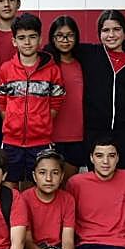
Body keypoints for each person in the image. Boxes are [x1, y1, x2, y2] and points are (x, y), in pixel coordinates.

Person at [73, 9, 125, 169]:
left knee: (122, 181)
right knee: (97, 183)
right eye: (105, 30)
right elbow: (59, 45)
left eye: (116, 29)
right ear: (99, 33)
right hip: (94, 134)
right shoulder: (89, 54)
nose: (111, 35)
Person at [0, 12, 65, 188]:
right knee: (9, 189)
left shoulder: (52, 70)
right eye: (22, 38)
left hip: (41, 142)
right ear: (14, 41)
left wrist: (42, 122)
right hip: (11, 142)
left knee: (34, 190)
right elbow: (2, 102)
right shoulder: (6, 69)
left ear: (40, 39)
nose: (27, 42)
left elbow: (56, 103)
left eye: (32, 37)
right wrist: (12, 123)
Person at [22, 149, 76, 249]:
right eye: (42, 172)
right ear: (34, 176)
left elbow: (67, 239)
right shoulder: (24, 198)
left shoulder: (67, 199)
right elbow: (26, 240)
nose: (48, 178)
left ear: (61, 177)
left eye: (54, 173)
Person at [47, 15, 86, 179]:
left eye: (70, 35)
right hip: (49, 134)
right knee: (48, 185)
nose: (65, 40)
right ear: (52, 38)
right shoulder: (46, 64)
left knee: (69, 186)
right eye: (60, 36)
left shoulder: (82, 63)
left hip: (76, 135)